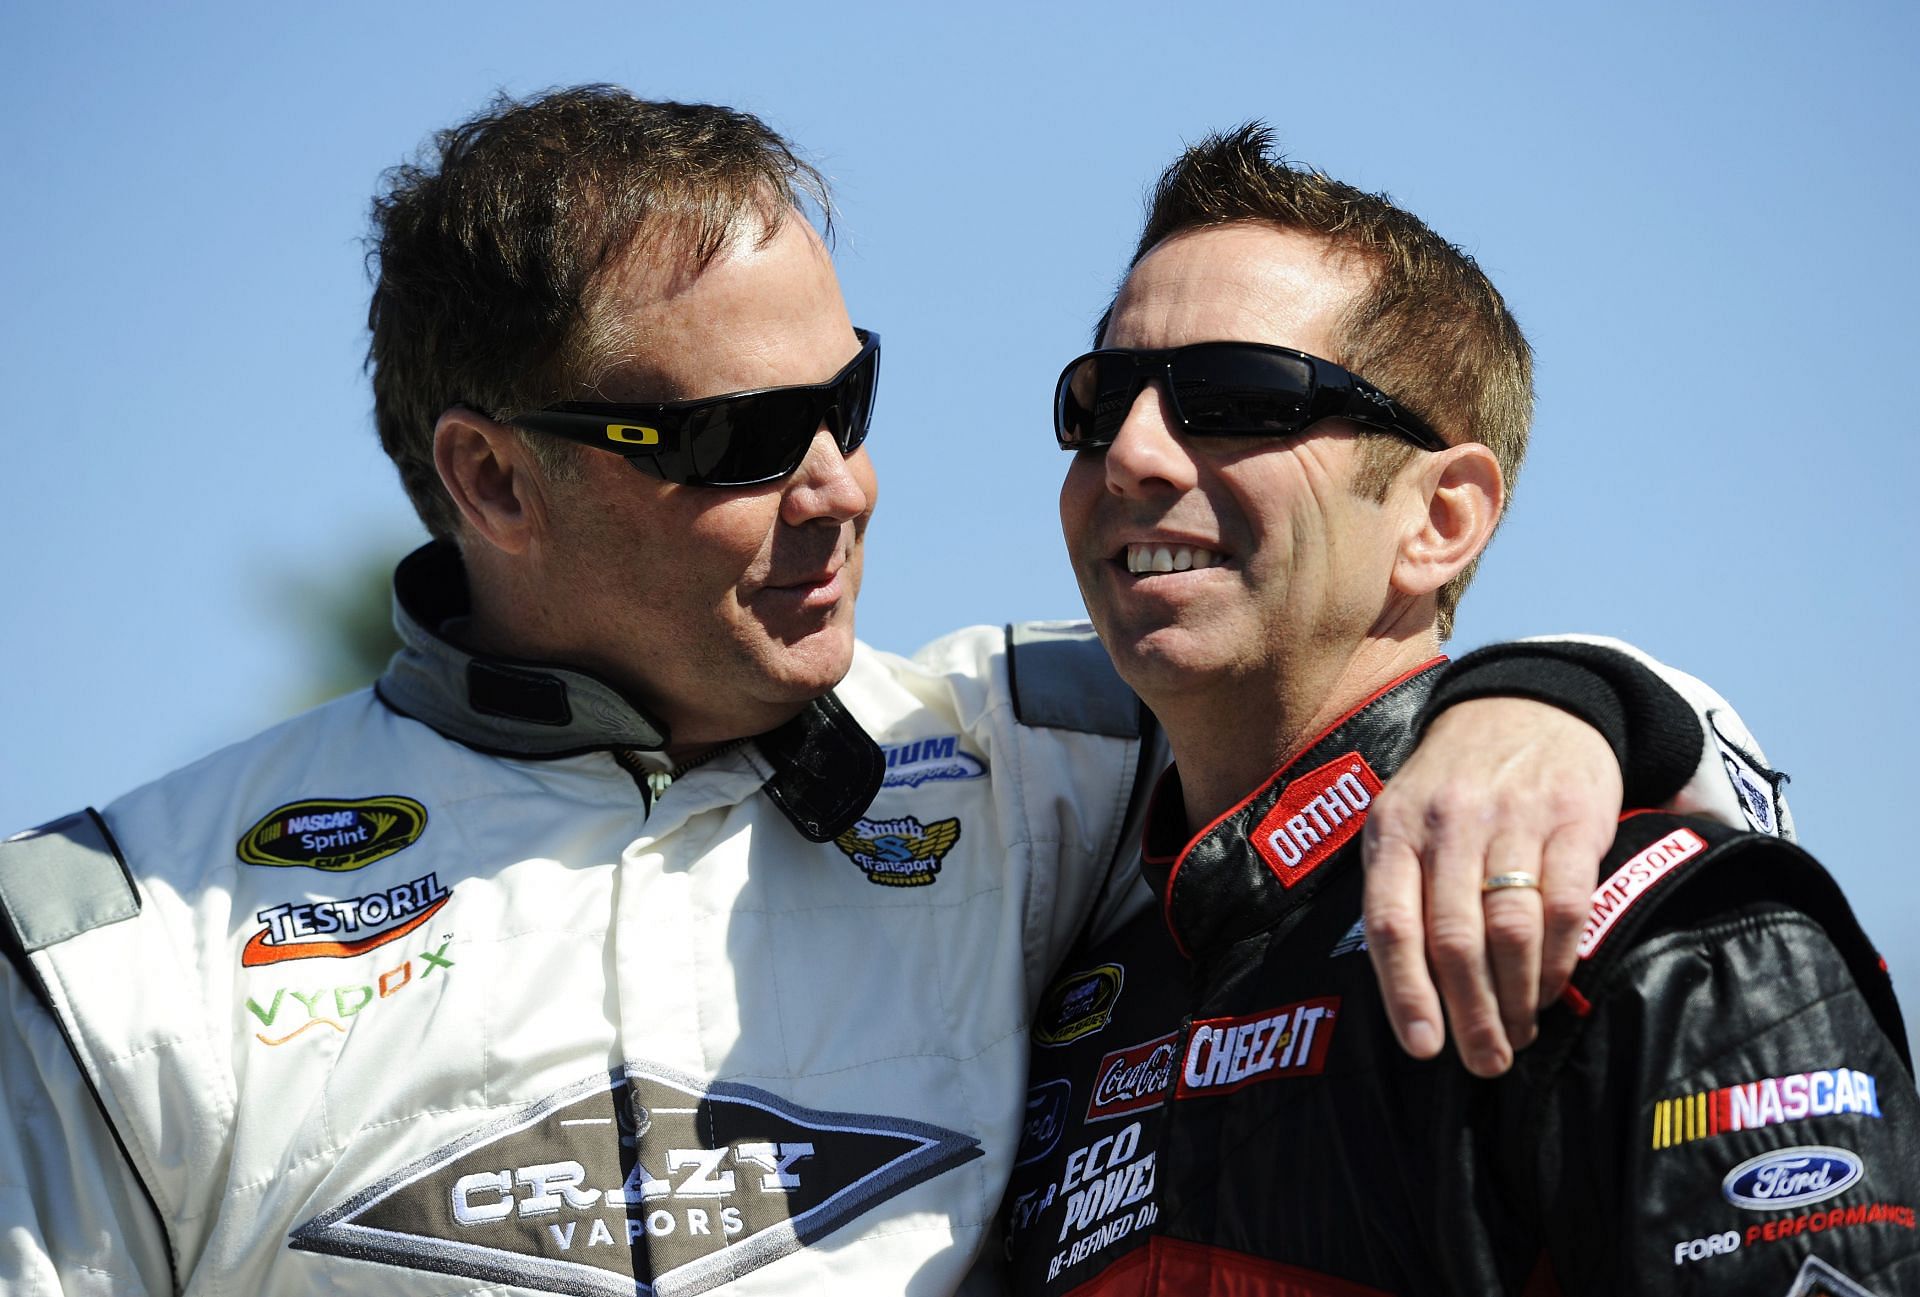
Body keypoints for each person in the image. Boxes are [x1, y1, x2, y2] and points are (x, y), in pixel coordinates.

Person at [0, 89, 1783, 1295]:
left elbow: (1525, 740)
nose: (840, 482)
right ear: (489, 479)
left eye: (848, 400)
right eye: (736, 439)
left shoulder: (1032, 749)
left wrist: (1557, 700)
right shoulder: (102, 942)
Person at [1001, 126, 1918, 1295]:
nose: (1130, 453)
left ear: (1441, 520)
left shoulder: (1643, 925)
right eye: (1098, 399)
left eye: (1232, 398)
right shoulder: (1066, 986)